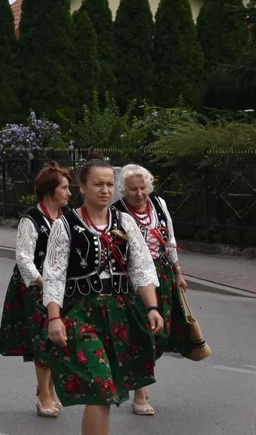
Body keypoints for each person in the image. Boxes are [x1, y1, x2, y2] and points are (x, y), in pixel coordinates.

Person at [41, 158, 164, 435]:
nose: (105, 190)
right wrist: (54, 318)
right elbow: (54, 275)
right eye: (98, 184)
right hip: (81, 314)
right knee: (99, 386)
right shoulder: (66, 224)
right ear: (82, 187)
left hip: (120, 313)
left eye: (110, 184)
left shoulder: (125, 223)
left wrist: (152, 308)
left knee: (108, 390)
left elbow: (142, 268)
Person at [0, 162, 72, 418]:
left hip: (61, 288)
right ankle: (45, 395)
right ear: (50, 192)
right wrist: (43, 282)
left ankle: (46, 389)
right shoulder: (31, 218)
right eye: (64, 188)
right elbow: (24, 257)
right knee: (44, 341)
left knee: (59, 341)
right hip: (35, 288)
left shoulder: (67, 217)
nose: (69, 193)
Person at [114, 163, 190, 415]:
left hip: (162, 276)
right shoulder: (117, 213)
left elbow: (170, 239)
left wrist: (178, 272)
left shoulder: (159, 204)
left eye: (142, 187)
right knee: (142, 335)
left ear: (150, 186)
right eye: (132, 189)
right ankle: (139, 393)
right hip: (133, 281)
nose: (139, 193)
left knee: (161, 334)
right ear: (123, 190)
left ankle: (138, 376)